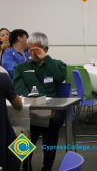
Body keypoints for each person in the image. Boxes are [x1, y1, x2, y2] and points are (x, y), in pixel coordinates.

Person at [13, 32, 66, 171]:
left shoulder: (57, 65)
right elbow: (20, 90)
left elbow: (60, 77)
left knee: (51, 130)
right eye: (30, 49)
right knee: (22, 133)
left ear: (46, 49)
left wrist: (46, 59)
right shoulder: (20, 68)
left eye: (37, 49)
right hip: (29, 111)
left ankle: (47, 167)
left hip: (52, 111)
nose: (33, 52)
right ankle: (23, 165)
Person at [0, 68, 23, 171]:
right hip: (3, 136)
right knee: (23, 134)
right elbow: (19, 106)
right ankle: (26, 165)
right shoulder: (2, 77)